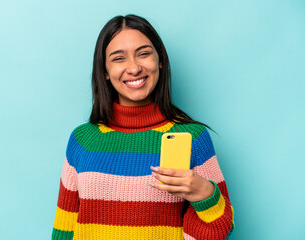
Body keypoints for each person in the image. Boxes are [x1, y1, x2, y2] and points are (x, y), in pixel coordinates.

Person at [52, 14, 234, 240]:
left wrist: (205, 194)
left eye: (144, 54)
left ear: (160, 61)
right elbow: (64, 227)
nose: (134, 68)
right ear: (105, 72)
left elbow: (219, 229)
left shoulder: (192, 138)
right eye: (119, 58)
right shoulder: (83, 140)